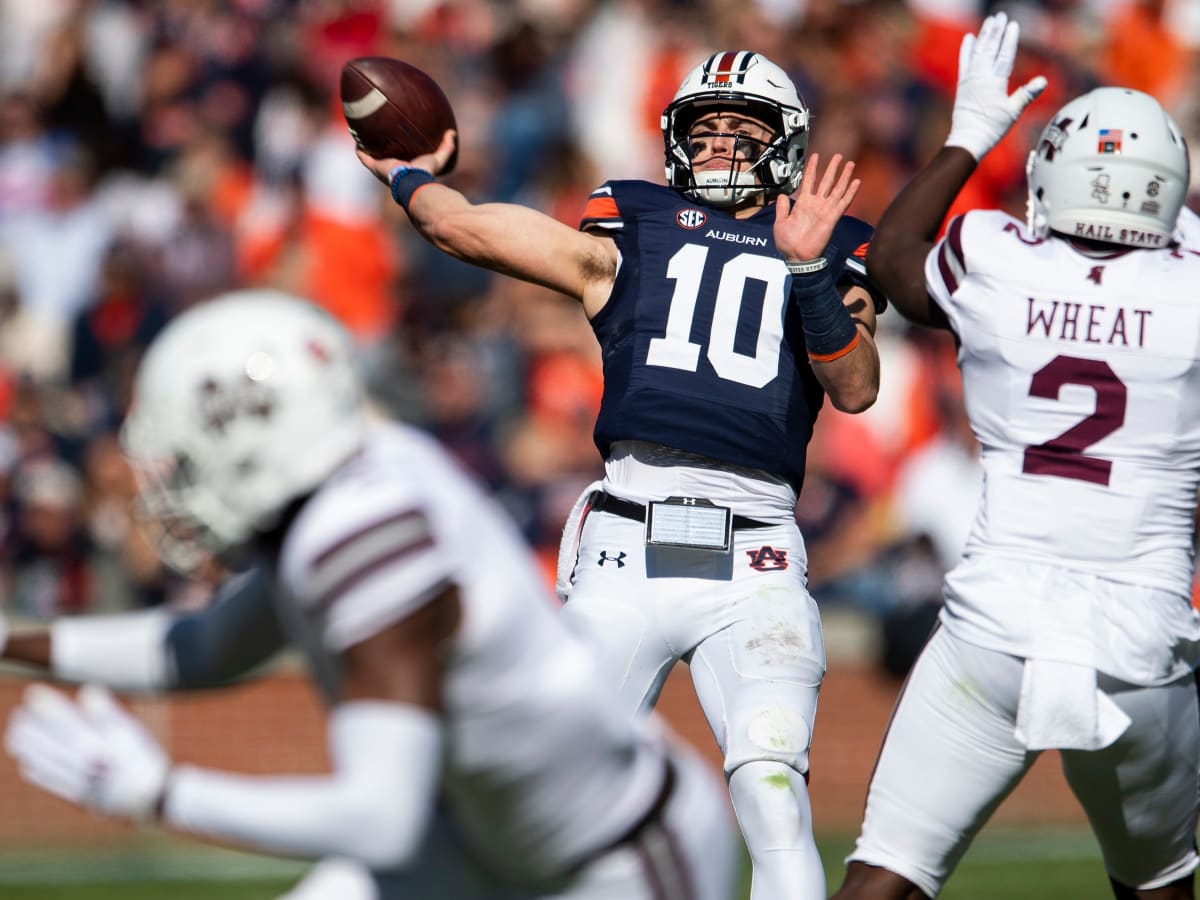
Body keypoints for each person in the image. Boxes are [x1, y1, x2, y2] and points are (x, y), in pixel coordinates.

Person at [354, 50, 887, 900]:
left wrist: (811, 269)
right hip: (625, 544)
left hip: (756, 559)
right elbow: (468, 228)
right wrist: (411, 177)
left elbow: (856, 388)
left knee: (771, 788)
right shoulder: (630, 226)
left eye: (738, 132)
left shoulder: (834, 244)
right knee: (544, 788)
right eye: (701, 130)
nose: (716, 146)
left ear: (783, 147)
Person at [2, 289, 740, 900]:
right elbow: (200, 650)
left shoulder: (368, 544)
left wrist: (158, 792)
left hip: (617, 863)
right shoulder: (353, 488)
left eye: (192, 457)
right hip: (485, 843)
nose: (177, 487)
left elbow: (378, 818)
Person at [834, 12, 1200, 900]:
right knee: (1159, 889)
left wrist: (966, 137)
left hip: (996, 620)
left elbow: (890, 259)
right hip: (1139, 636)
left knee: (886, 878)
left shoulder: (995, 257)